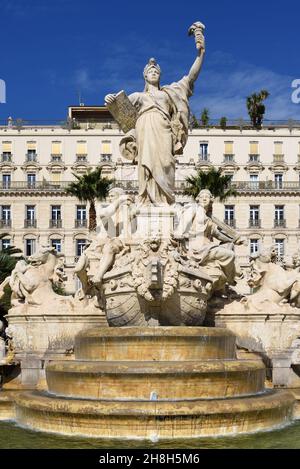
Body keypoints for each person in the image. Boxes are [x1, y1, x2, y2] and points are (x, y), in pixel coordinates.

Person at [105, 27, 205, 206]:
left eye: (156, 72)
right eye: (150, 71)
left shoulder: (169, 93)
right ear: (145, 76)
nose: (154, 73)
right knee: (145, 163)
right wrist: (110, 99)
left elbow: (191, 77)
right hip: (144, 127)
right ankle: (146, 200)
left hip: (164, 127)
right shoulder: (138, 96)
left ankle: (164, 199)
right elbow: (120, 107)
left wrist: (200, 53)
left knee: (166, 163)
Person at [174, 189, 243, 292]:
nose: (204, 198)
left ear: (211, 200)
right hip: (197, 247)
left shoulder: (208, 217)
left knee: (229, 247)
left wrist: (233, 240)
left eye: (207, 196)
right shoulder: (193, 209)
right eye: (202, 196)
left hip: (207, 246)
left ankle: (228, 280)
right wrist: (179, 234)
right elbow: (184, 222)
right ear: (198, 199)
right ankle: (233, 278)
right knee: (229, 255)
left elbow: (218, 234)